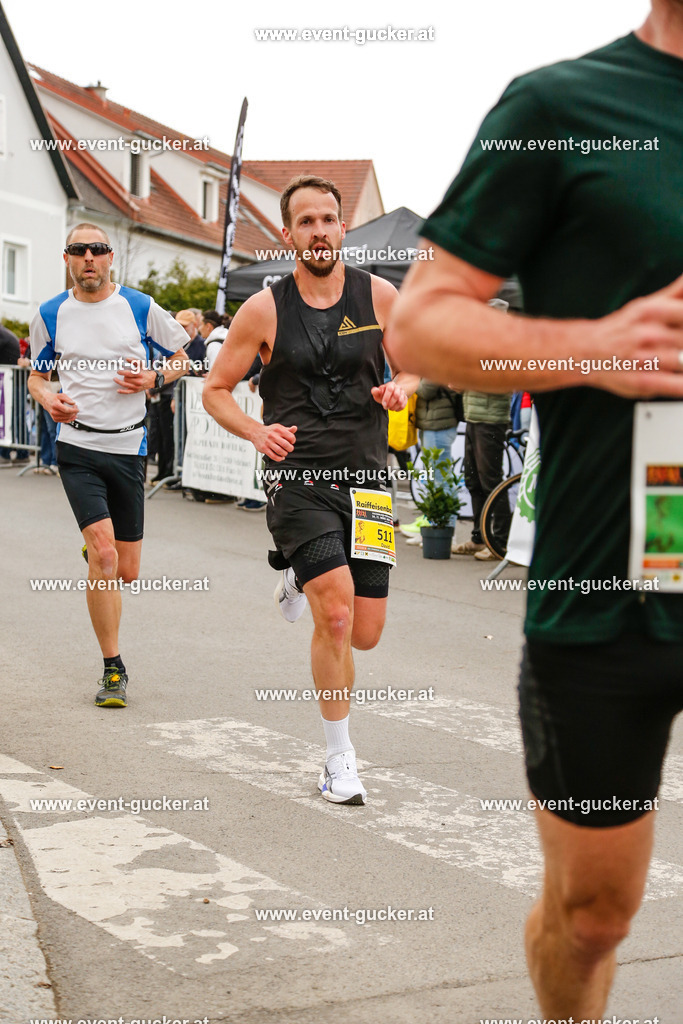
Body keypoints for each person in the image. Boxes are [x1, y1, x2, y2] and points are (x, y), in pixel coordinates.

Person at [387, 2, 683, 1017]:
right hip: (615, 582)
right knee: (594, 912)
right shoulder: (561, 106)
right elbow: (420, 326)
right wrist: (600, 348)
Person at [204, 175, 418, 805]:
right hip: (299, 480)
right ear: (287, 232)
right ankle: (338, 758)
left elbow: (416, 360)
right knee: (338, 611)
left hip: (369, 479)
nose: (319, 231)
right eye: (307, 222)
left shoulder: (378, 295)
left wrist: (403, 386)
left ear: (342, 227)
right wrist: (254, 431)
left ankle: (297, 574)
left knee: (366, 632)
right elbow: (217, 389)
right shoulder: (264, 308)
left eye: (329, 219)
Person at [28, 223, 190, 708]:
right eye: (79, 251)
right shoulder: (51, 313)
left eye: (97, 250)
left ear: (111, 257)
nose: (89, 258)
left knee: (126, 570)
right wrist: (47, 398)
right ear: (67, 259)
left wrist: (154, 376)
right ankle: (113, 669)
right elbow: (37, 377)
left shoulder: (140, 306)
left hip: (128, 449)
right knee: (103, 555)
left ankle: (100, 559)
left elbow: (184, 357)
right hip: (77, 449)